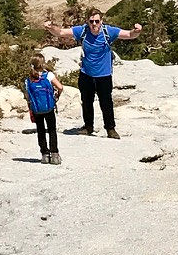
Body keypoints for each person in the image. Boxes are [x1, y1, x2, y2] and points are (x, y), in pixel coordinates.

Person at [53, 9, 142, 138]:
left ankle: (110, 129)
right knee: (87, 102)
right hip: (86, 74)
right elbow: (61, 32)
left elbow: (129, 35)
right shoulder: (82, 31)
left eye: (97, 21)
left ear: (101, 21)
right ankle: (88, 127)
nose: (94, 24)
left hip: (104, 75)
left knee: (106, 103)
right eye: (91, 21)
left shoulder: (108, 31)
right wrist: (50, 27)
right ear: (87, 22)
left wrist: (136, 31)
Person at [23, 55, 63, 164]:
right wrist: (57, 96)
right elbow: (60, 87)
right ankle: (54, 154)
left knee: (40, 130)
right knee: (52, 130)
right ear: (42, 63)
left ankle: (44, 154)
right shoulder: (48, 75)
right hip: (49, 107)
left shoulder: (28, 79)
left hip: (36, 109)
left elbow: (27, 95)